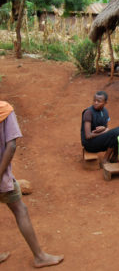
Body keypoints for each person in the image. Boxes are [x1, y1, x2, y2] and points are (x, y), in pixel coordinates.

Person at [0, 101, 64, 268]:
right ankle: (39, 257)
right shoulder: (4, 110)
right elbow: (11, 145)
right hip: (1, 177)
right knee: (20, 209)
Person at [81, 91, 119, 163]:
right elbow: (88, 136)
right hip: (89, 144)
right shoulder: (88, 113)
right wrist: (105, 131)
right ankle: (105, 160)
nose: (96, 103)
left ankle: (114, 157)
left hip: (99, 140)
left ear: (105, 103)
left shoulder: (105, 112)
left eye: (99, 101)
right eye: (94, 100)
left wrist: (104, 129)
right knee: (114, 134)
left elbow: (106, 130)